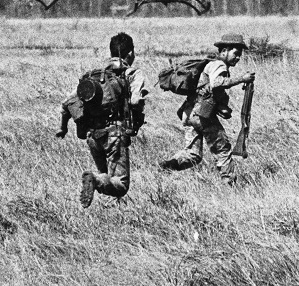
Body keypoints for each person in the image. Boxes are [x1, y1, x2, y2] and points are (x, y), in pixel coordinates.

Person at [161, 33, 255, 184]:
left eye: (239, 55)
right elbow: (216, 83)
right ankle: (230, 183)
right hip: (202, 114)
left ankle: (167, 166)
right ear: (224, 50)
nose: (238, 58)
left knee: (193, 155)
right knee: (222, 148)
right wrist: (241, 79)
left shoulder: (210, 64)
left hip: (189, 113)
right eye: (235, 54)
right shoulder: (219, 65)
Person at [73, 32, 148, 208]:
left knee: (105, 174)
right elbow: (136, 101)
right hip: (115, 135)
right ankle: (95, 181)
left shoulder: (95, 76)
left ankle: (109, 206)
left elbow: (70, 103)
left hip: (93, 136)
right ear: (130, 54)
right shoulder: (131, 73)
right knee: (120, 184)